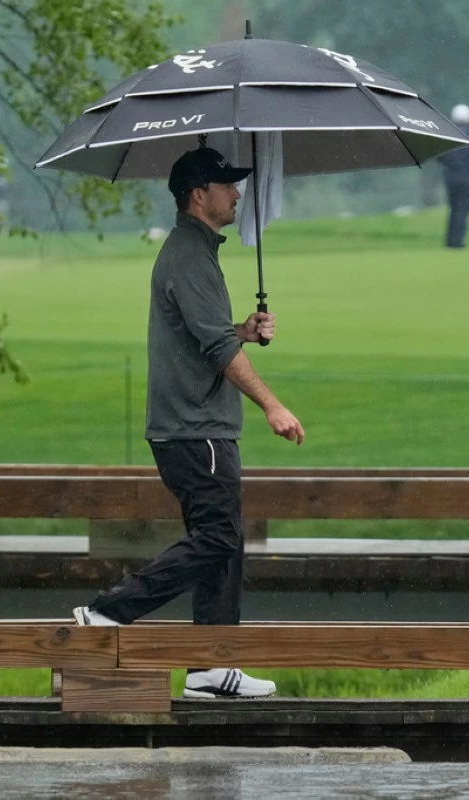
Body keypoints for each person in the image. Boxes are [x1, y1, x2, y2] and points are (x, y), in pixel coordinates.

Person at [71, 146, 305, 700]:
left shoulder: (194, 253)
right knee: (219, 536)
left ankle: (211, 665)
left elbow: (204, 335)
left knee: (224, 539)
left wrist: (242, 330)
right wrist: (272, 404)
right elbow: (217, 349)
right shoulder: (189, 257)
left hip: (199, 425)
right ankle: (106, 613)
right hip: (195, 427)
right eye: (227, 185)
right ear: (199, 195)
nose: (237, 193)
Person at [440, 104, 469, 248]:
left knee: (453, 209)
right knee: (463, 209)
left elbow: (440, 156)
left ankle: (450, 240)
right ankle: (458, 241)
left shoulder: (448, 133)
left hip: (450, 179)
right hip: (467, 179)